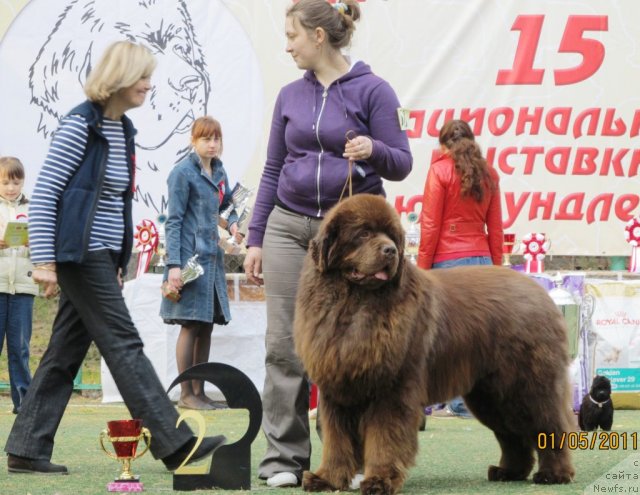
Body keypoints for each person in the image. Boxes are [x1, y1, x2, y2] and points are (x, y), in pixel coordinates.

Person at [4, 41, 225, 475]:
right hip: (77, 254)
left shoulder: (121, 130)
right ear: (120, 78)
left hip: (101, 257)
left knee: (64, 350)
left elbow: (111, 206)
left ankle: (26, 447)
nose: (149, 84)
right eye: (143, 76)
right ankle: (175, 442)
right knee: (124, 343)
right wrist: (45, 261)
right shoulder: (79, 127)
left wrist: (120, 261)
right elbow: (47, 193)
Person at [243, 0, 412, 488]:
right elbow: (273, 169)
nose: (287, 44)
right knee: (283, 348)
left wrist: (372, 149)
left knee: (352, 352)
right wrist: (256, 237)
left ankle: (346, 461)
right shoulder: (288, 97)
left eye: (293, 35)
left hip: (351, 241)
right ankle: (284, 460)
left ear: (319, 36)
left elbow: (402, 162)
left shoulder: (376, 91)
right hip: (287, 228)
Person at [417, 118, 503, 418]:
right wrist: (497, 269)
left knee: (445, 338)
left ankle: (454, 401)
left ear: (443, 145)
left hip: (447, 265)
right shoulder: (490, 173)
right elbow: (495, 228)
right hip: (482, 262)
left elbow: (429, 226)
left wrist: (422, 270)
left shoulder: (439, 171)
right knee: (480, 338)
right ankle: (476, 403)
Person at [160, 116, 238, 411]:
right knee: (190, 325)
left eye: (216, 138)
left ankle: (200, 391)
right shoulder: (182, 173)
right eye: (206, 138)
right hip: (190, 261)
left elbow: (227, 205)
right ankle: (185, 394)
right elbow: (174, 221)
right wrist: (174, 266)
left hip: (212, 260)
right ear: (193, 141)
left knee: (206, 326)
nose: (212, 144)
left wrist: (232, 224)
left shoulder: (219, 171)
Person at [0, 157, 39, 415]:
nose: (11, 187)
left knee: (20, 348)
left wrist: (32, 245)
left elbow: (44, 246)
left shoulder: (34, 208)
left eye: (16, 181)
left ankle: (24, 403)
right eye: (5, 182)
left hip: (23, 287)